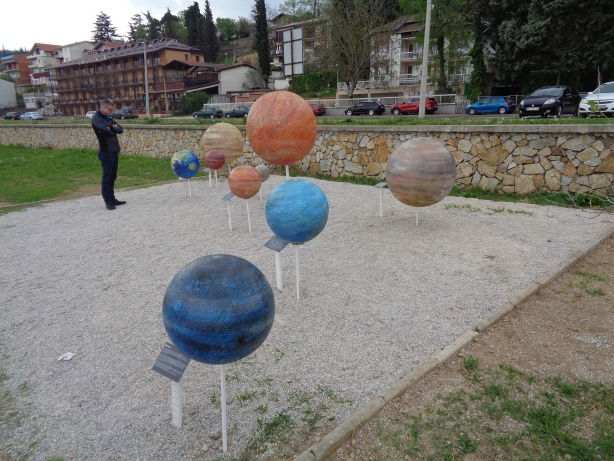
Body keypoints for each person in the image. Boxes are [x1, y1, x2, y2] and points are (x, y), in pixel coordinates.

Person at [91, 99, 126, 210]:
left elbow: (120, 129)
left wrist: (111, 127)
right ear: (103, 108)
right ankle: (107, 201)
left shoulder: (108, 118)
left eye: (112, 110)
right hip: (106, 151)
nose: (111, 112)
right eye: (110, 110)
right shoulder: (96, 118)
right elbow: (106, 131)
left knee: (112, 176)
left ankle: (112, 198)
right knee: (106, 178)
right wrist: (112, 127)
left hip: (114, 151)